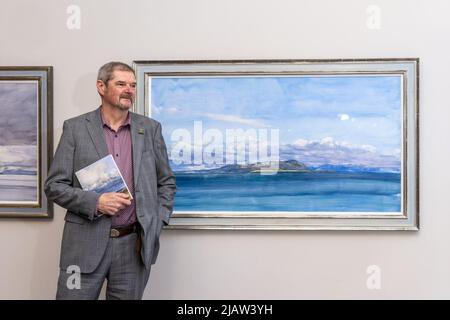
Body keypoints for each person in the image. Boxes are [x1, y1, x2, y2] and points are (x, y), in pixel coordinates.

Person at [45, 61, 176, 300]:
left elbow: (166, 182)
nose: (129, 90)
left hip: (133, 247)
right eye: (121, 84)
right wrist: (96, 203)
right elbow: (54, 186)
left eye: (133, 85)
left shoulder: (150, 129)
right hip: (83, 246)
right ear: (101, 87)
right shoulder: (75, 129)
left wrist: (157, 220)